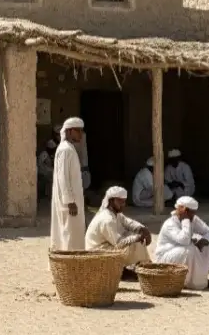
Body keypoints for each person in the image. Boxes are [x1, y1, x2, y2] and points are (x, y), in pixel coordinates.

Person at [85, 186, 152, 281]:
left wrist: (143, 229)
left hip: (107, 248)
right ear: (111, 201)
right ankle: (143, 268)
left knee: (133, 236)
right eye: (120, 201)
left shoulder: (116, 214)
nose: (123, 204)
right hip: (97, 255)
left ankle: (135, 268)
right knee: (134, 243)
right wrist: (138, 238)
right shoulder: (107, 219)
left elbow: (129, 223)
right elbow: (119, 243)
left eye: (124, 201)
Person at [154, 196, 209, 290]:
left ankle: (201, 278)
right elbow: (184, 240)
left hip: (182, 251)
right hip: (165, 257)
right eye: (191, 213)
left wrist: (203, 241)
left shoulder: (193, 219)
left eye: (194, 213)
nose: (193, 216)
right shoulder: (170, 224)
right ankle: (184, 282)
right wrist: (185, 220)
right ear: (183, 210)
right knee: (190, 249)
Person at [50, 117, 86, 251]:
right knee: (69, 235)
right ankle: (70, 266)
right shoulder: (65, 150)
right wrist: (70, 201)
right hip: (69, 203)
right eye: (78, 131)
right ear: (70, 132)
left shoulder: (69, 149)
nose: (80, 134)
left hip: (73, 200)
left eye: (82, 131)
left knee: (72, 234)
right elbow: (63, 177)